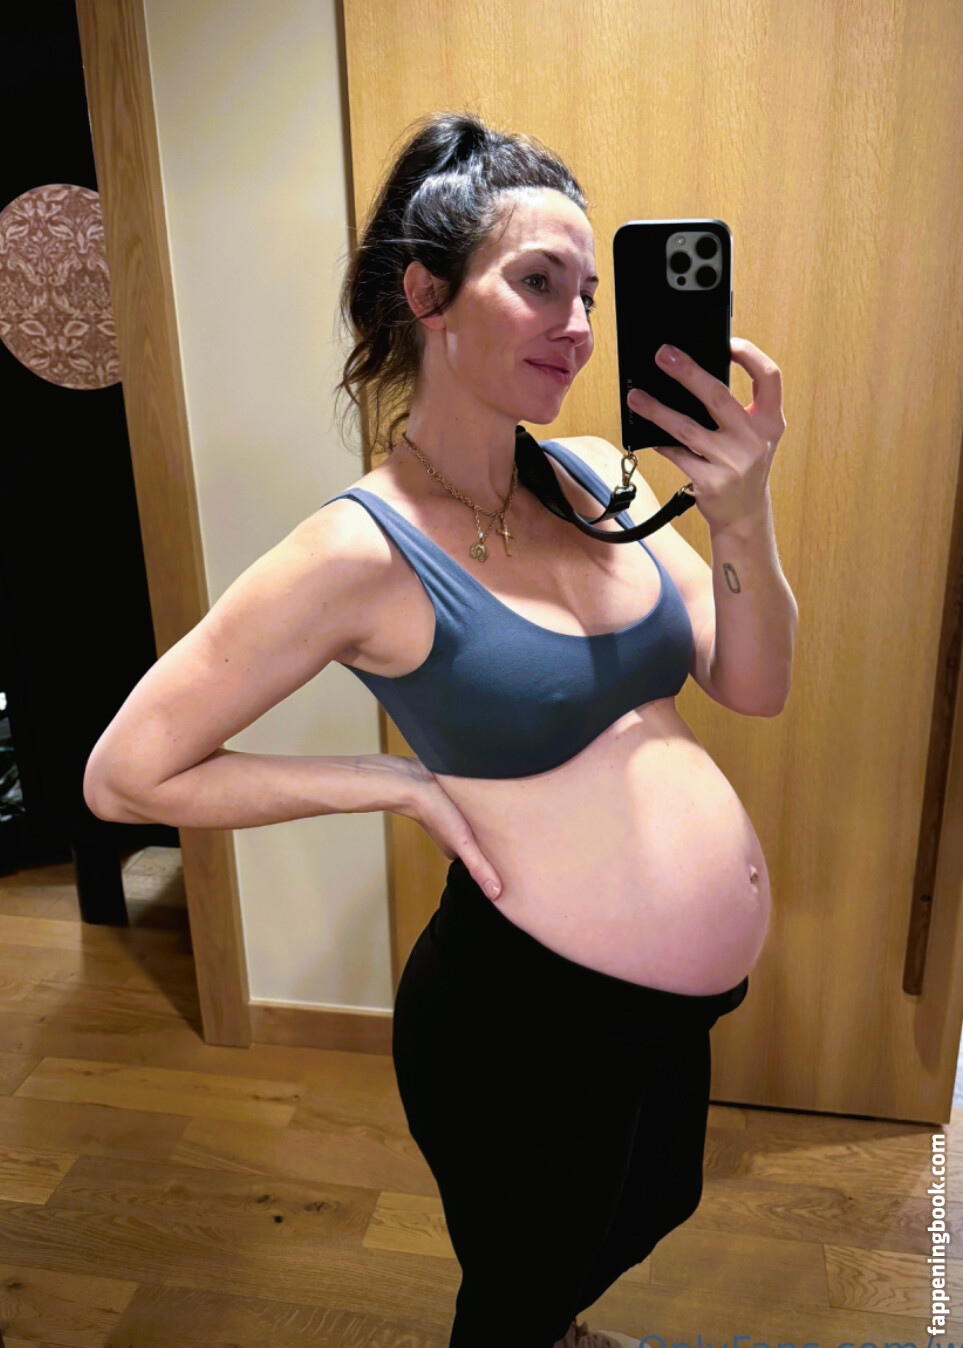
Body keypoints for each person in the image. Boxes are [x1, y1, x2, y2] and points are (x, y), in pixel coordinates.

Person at [83, 110, 794, 1348]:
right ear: (428, 294)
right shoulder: (358, 550)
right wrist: (391, 781)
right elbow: (124, 774)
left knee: (655, 1200)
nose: (578, 325)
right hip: (522, 1017)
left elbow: (755, 684)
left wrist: (744, 517)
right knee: (517, 1289)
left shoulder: (597, 476)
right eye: (539, 283)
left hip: (664, 1005)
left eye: (587, 293)